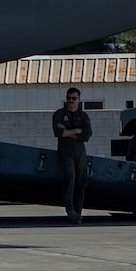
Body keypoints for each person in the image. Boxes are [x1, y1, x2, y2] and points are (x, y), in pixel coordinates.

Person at [53, 87, 92, 223]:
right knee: (70, 177)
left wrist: (68, 132)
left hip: (79, 151)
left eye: (74, 99)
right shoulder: (59, 114)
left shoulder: (83, 116)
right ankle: (70, 210)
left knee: (81, 180)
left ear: (79, 100)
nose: (71, 101)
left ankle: (78, 210)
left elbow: (86, 135)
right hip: (65, 151)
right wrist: (76, 131)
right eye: (69, 98)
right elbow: (59, 133)